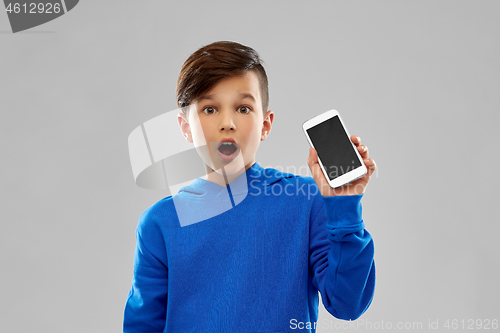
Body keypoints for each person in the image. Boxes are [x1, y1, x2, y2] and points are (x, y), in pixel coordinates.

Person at [123, 40, 377, 333]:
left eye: (243, 108)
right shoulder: (159, 223)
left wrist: (344, 207)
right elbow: (141, 327)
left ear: (266, 125)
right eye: (209, 109)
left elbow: (348, 304)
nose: (227, 122)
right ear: (184, 127)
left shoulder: (307, 202)